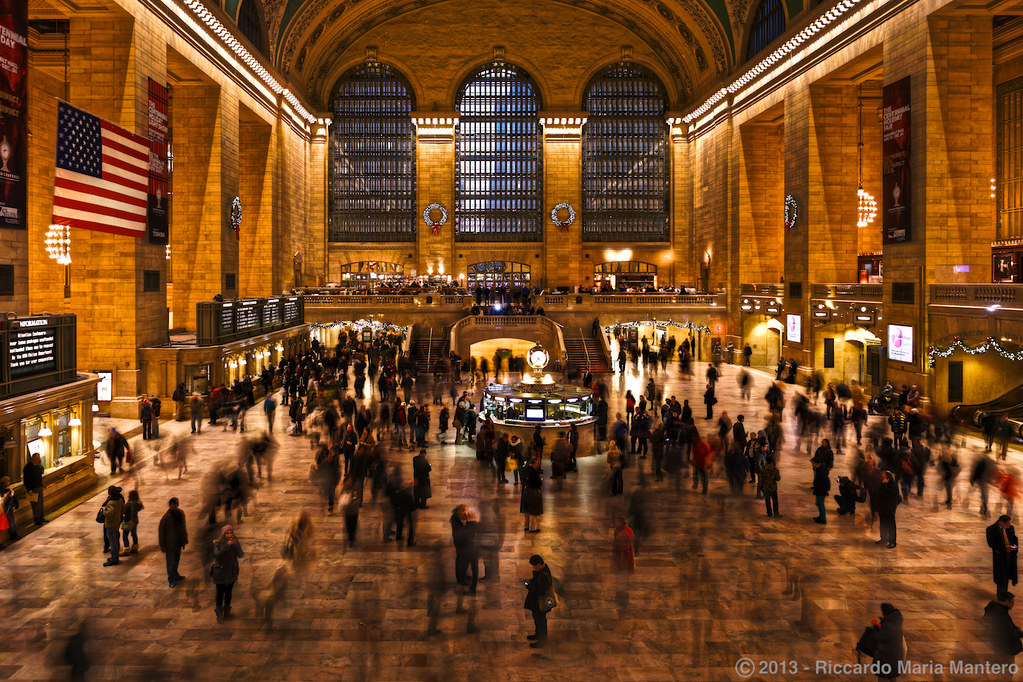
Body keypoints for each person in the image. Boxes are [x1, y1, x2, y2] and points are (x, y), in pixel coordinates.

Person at [212, 525, 244, 623]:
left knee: (228, 592)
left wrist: (236, 544)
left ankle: (227, 611)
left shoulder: (234, 542)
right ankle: (219, 613)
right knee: (220, 593)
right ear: (223, 534)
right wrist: (227, 545)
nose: (229, 535)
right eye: (227, 533)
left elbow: (241, 555)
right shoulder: (217, 543)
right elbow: (217, 555)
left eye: (230, 533)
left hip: (231, 571)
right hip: (220, 572)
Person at [523, 554, 553, 648]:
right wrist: (531, 581)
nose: (534, 568)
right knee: (537, 619)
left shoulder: (543, 575)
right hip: (538, 604)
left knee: (541, 621)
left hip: (540, 603)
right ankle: (538, 634)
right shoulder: (543, 571)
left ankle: (542, 641)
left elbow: (540, 591)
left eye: (534, 566)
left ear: (539, 564)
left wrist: (529, 586)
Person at [984, 591, 1023, 663]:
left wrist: (1013, 628)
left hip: (998, 646)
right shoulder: (1002, 615)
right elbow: (1010, 633)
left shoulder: (994, 609)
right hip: (1006, 649)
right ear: (1006, 601)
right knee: (1007, 667)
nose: (1013, 604)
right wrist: (1020, 633)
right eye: (1012, 602)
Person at [158, 497, 188, 587]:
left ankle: (175, 574)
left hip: (178, 542)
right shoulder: (166, 518)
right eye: (173, 504)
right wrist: (163, 546)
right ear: (170, 505)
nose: (175, 506)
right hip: (170, 544)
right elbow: (161, 532)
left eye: (176, 504)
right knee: (170, 562)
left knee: (176, 560)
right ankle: (171, 579)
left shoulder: (181, 513)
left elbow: (183, 527)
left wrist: (184, 539)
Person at [450, 504, 480, 594]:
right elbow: (464, 533)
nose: (465, 512)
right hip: (463, 546)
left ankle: (464, 577)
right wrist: (470, 522)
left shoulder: (457, 518)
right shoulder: (456, 520)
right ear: (458, 511)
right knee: (461, 562)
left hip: (465, 546)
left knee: (464, 563)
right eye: (463, 510)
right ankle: (461, 579)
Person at [988, 515, 1020, 595]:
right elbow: (992, 544)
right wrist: (1005, 548)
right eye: (1007, 524)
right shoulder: (991, 529)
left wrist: (1014, 546)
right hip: (1000, 556)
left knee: (1007, 574)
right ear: (1001, 522)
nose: (1009, 526)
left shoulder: (1010, 528)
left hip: (1010, 556)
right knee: (1001, 576)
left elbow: (1014, 539)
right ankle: (1001, 595)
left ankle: (1004, 592)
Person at [873, 602, 904, 681]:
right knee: (893, 678)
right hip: (896, 662)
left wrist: (876, 628)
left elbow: (878, 637)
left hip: (887, 662)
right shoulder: (896, 623)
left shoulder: (887, 625)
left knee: (882, 679)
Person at [876, 471, 901, 549]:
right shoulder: (883, 484)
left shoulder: (893, 486)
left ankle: (892, 542)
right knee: (883, 524)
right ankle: (883, 538)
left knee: (890, 525)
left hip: (889, 509)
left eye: (883, 477)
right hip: (882, 508)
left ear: (888, 478)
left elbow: (888, 494)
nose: (882, 478)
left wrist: (884, 485)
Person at [102, 486, 125, 566]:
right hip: (116, 523)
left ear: (109, 492)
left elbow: (110, 513)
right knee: (116, 540)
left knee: (112, 542)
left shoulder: (111, 502)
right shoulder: (119, 500)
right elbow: (123, 509)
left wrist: (104, 511)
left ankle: (114, 558)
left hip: (111, 524)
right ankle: (115, 556)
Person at [22, 452, 47, 526]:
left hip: (39, 487)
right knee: (35, 505)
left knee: (40, 503)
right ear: (33, 459)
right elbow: (26, 480)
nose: (39, 459)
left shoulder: (37, 466)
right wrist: (29, 490)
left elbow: (42, 472)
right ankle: (37, 519)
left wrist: (40, 465)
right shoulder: (28, 467)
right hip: (33, 489)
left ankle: (41, 517)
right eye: (37, 458)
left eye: (39, 458)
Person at [521, 458, 544, 532]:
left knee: (526, 510)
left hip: (525, 491)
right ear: (534, 463)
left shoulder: (524, 470)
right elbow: (538, 483)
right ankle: (532, 528)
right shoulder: (533, 471)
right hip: (533, 492)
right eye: (538, 463)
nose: (538, 465)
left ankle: (526, 526)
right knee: (533, 511)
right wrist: (540, 481)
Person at [120, 489, 144, 556]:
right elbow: (139, 508)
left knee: (125, 535)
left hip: (128, 521)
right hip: (135, 520)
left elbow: (123, 511)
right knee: (134, 534)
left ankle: (126, 549)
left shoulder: (129, 504)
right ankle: (135, 548)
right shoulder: (137, 503)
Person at [0, 476, 19, 545]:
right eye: (7, 481)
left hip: (10, 509)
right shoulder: (3, 491)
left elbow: (14, 498)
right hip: (6, 510)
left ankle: (15, 534)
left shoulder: (10, 489)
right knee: (10, 523)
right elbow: (3, 501)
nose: (9, 482)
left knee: (12, 522)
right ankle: (13, 535)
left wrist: (16, 504)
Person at [811, 459, 830, 524]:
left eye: (813, 463)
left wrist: (826, 489)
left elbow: (826, 480)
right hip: (819, 489)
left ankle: (823, 519)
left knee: (820, 503)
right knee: (818, 503)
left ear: (816, 463)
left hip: (821, 490)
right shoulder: (820, 469)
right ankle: (821, 517)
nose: (812, 465)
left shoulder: (821, 470)